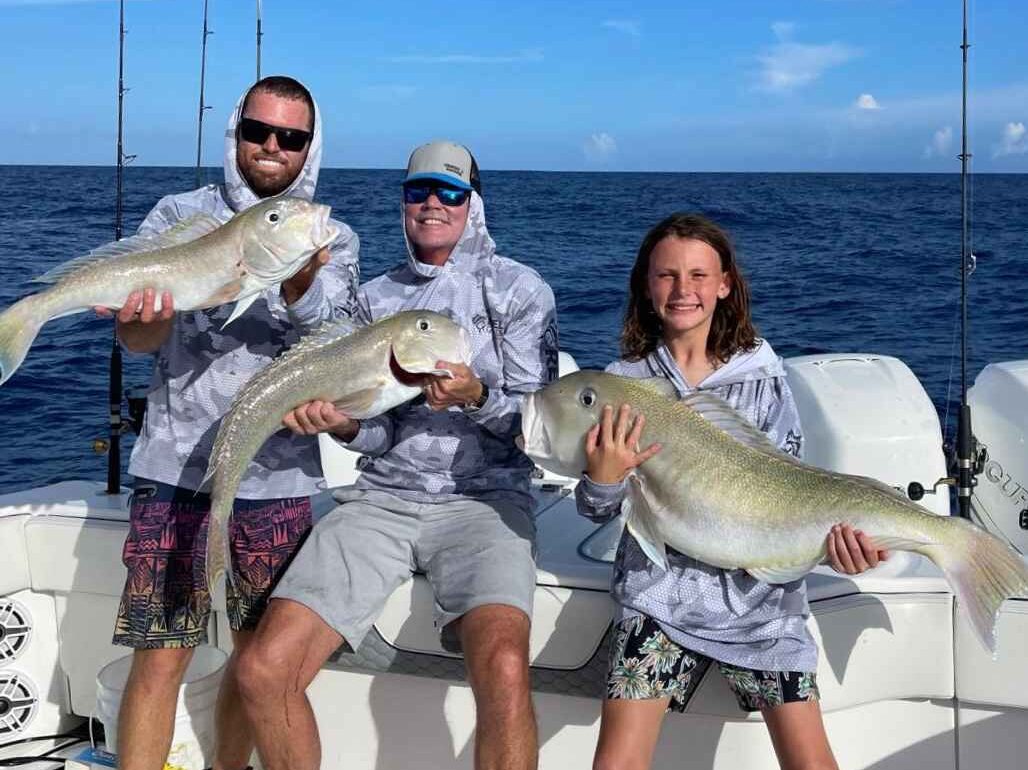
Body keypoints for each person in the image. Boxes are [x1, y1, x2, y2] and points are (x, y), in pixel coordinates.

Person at [235, 140, 559, 770]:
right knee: (263, 669)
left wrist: (477, 398)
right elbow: (378, 432)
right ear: (404, 203)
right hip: (380, 499)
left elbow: (539, 431)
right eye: (418, 191)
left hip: (486, 502)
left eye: (450, 192)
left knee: (504, 665)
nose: (433, 203)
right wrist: (344, 426)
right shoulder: (376, 298)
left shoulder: (521, 291)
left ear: (473, 203)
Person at [104, 76, 359, 770]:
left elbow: (336, 339)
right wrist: (139, 319)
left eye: (291, 137)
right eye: (258, 130)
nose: (272, 146)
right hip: (174, 469)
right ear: (236, 132)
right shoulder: (178, 215)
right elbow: (137, 341)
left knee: (255, 661)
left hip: (278, 479)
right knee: (160, 653)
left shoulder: (332, 236)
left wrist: (300, 280)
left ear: (311, 147)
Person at [576, 213, 888, 770]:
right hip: (658, 600)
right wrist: (603, 478)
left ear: (724, 285)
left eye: (699, 275)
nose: (683, 289)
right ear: (646, 286)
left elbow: (787, 493)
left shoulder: (765, 381)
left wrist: (836, 551)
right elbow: (599, 508)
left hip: (762, 608)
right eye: (667, 275)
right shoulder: (621, 384)